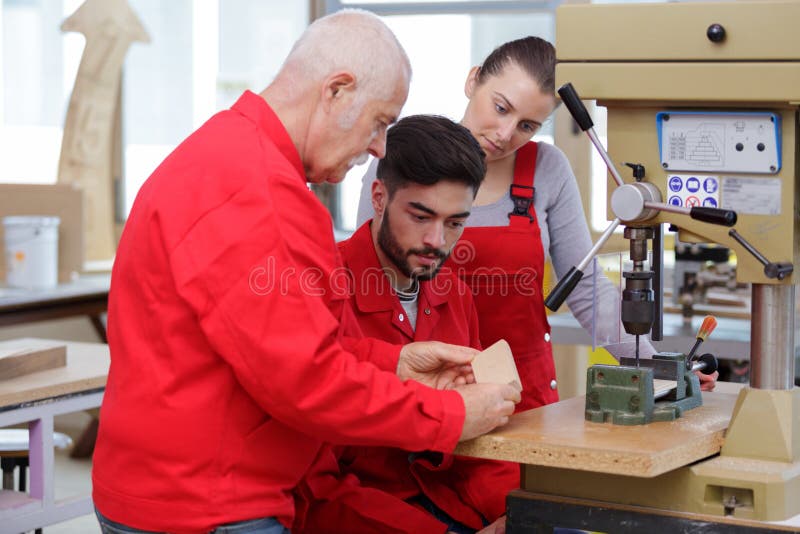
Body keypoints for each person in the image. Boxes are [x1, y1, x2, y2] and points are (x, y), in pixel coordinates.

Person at [91, 11, 521, 534]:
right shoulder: (265, 195)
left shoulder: (219, 152)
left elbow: (284, 345)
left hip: (162, 485)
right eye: (380, 122)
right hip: (211, 504)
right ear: (337, 90)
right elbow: (309, 383)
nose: (379, 148)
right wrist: (450, 418)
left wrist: (398, 362)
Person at [356, 36, 717, 413]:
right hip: (423, 389)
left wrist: (658, 368)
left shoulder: (547, 168)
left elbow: (586, 288)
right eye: (500, 107)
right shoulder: (404, 157)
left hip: (522, 397)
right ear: (473, 80)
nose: (504, 133)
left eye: (527, 125)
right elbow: (367, 284)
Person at [294, 115, 514, 534]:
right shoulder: (320, 290)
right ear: (378, 198)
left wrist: (514, 512)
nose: (437, 241)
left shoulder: (456, 294)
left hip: (455, 506)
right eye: (420, 216)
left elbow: (479, 446)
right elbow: (317, 487)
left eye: (455, 223)